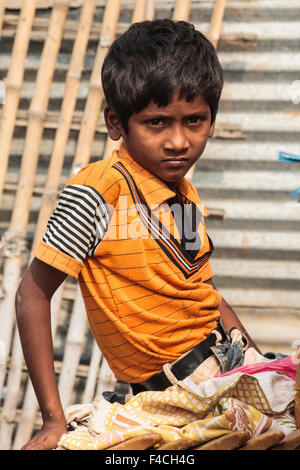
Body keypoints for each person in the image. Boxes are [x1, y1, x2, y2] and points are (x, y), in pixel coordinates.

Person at [15, 19, 260, 450]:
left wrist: (255, 362)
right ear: (116, 122)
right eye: (157, 122)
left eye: (195, 121)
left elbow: (201, 287)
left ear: (213, 121)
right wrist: (52, 420)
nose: (178, 141)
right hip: (169, 397)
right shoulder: (96, 193)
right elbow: (32, 296)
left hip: (225, 370)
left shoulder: (183, 192)